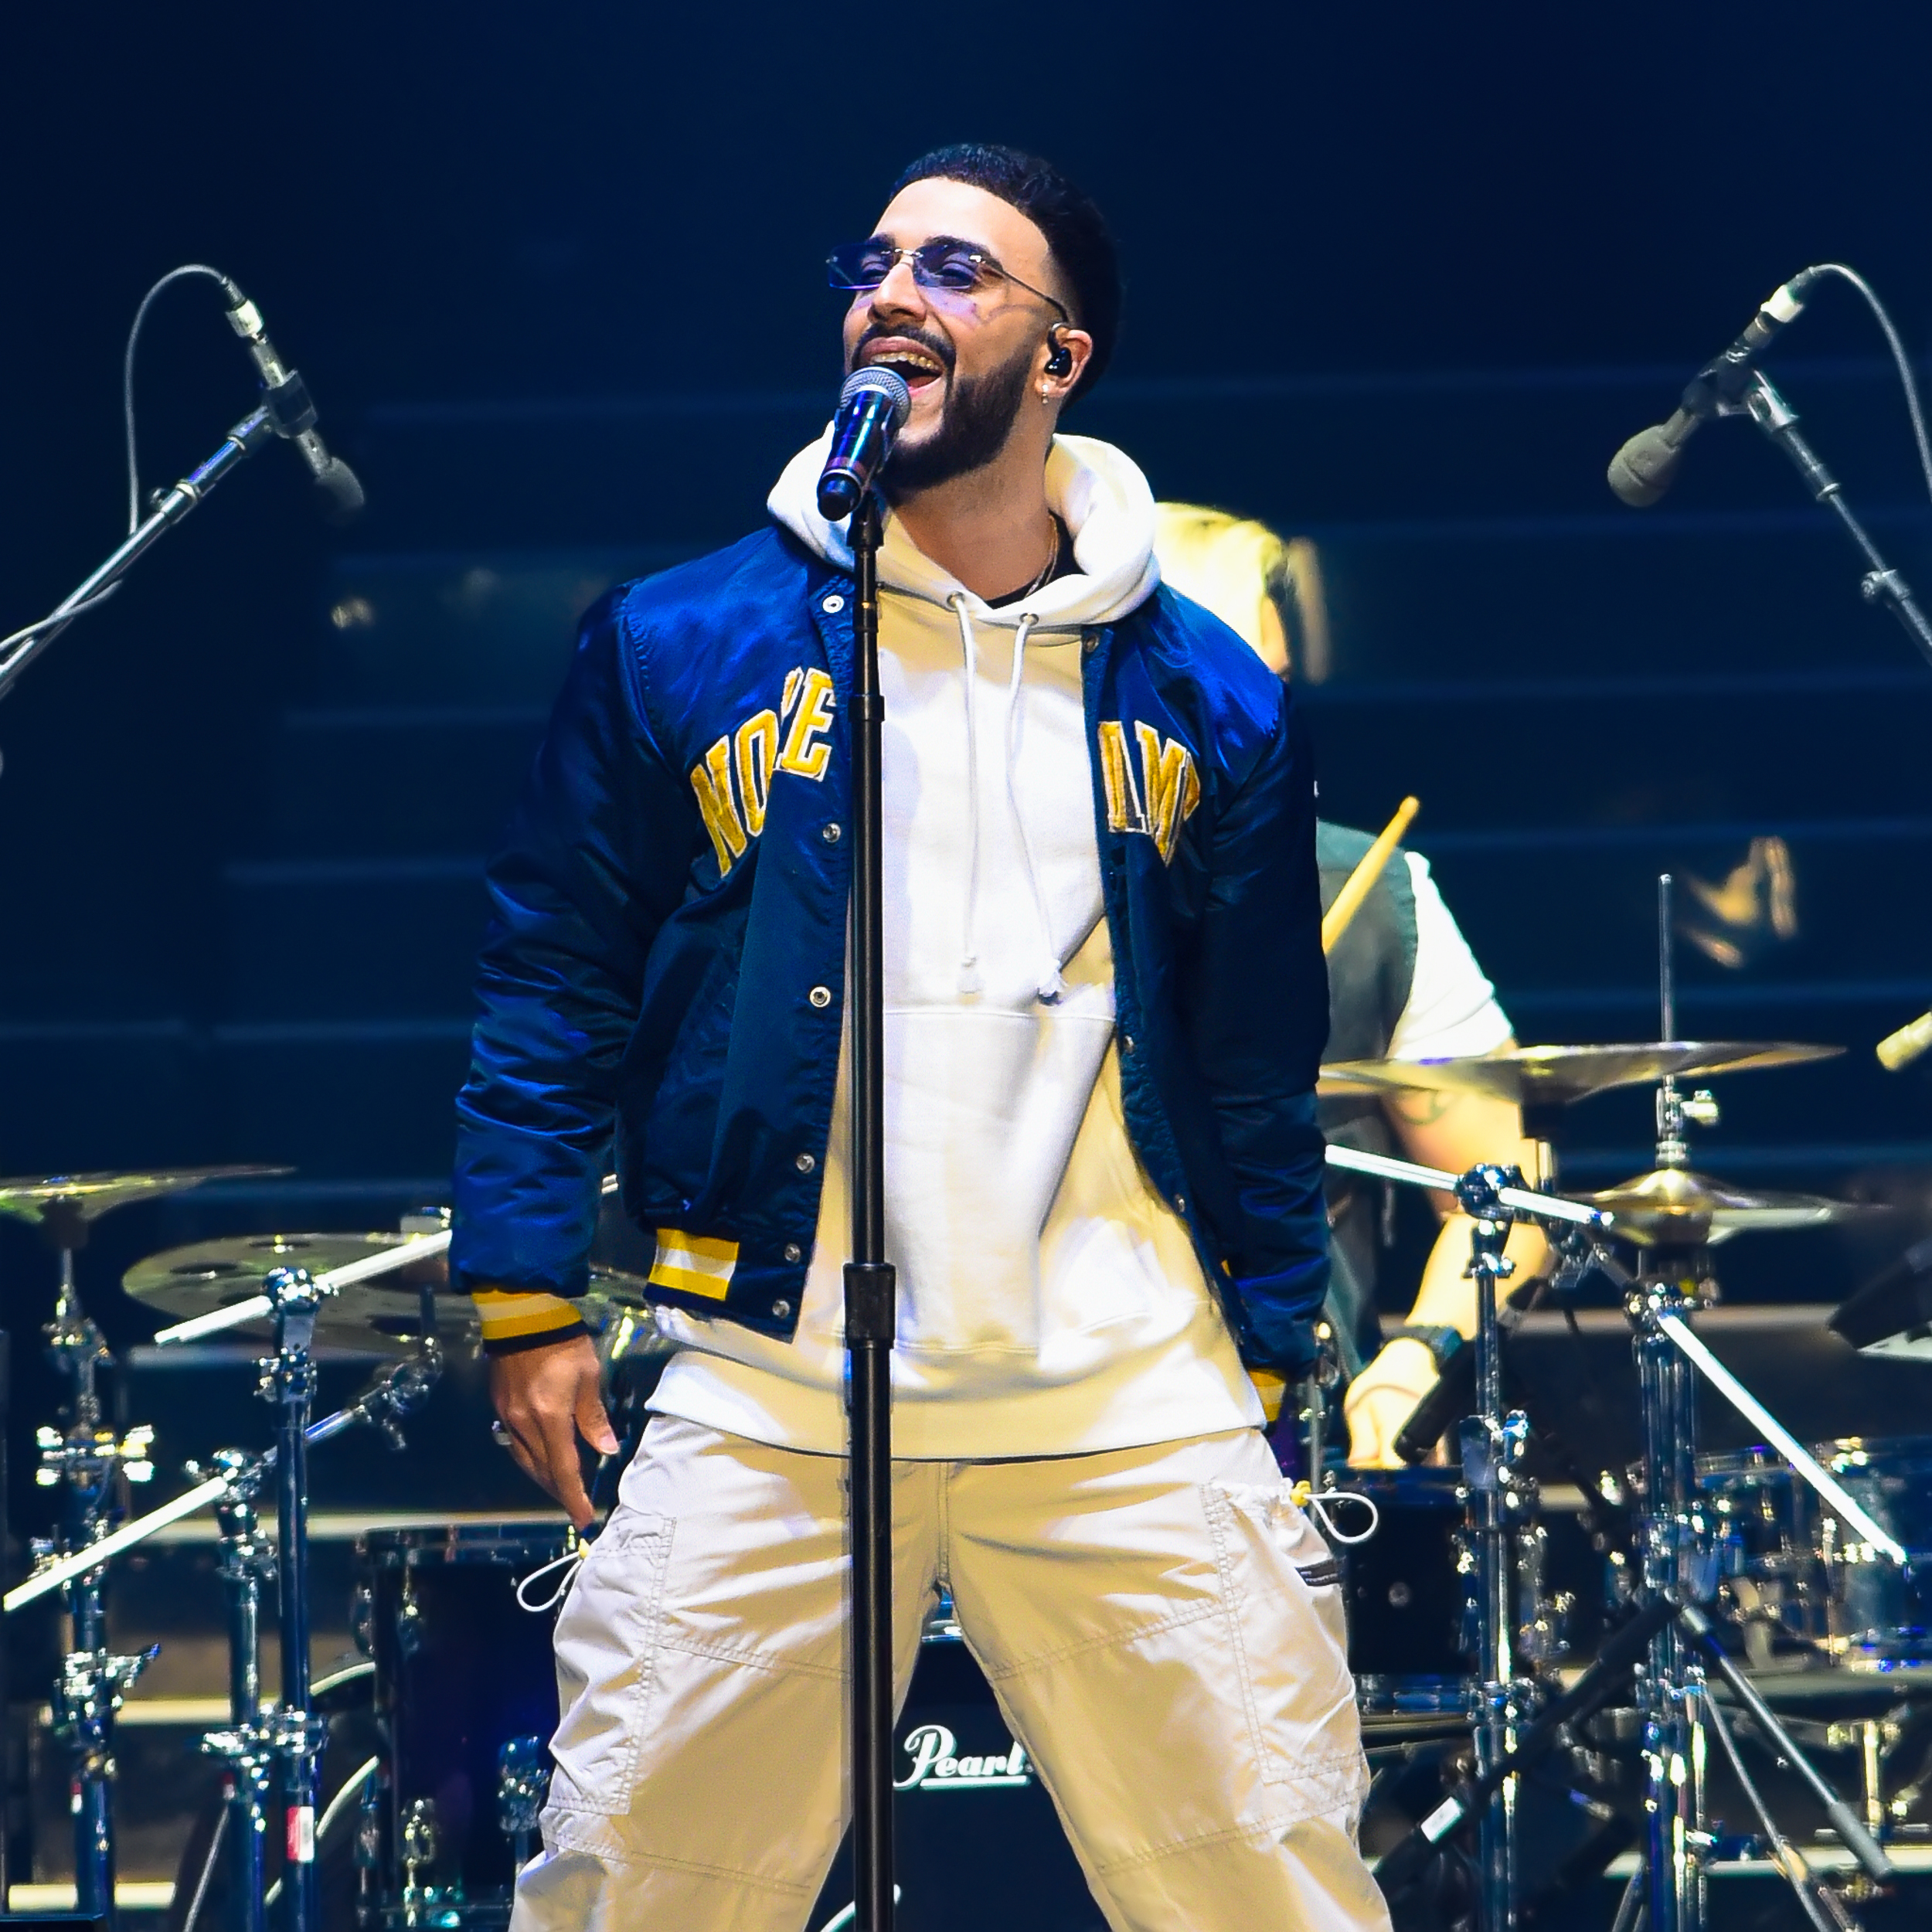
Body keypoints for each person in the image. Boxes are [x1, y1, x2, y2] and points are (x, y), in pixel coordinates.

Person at [453, 147, 1392, 1932]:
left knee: (1271, 1883)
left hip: (1127, 1388)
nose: (892, 292)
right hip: (774, 1378)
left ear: (1060, 359)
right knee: (634, 1886)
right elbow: (550, 975)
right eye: (874, 260)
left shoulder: (1215, 691)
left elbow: (1260, 1056)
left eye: (956, 269)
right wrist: (524, 1292)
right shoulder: (678, 641)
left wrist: (1273, 1347)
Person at [1153, 505, 1548, 1468]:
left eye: (1280, 692)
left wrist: (1421, 1354)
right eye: (1240, 691)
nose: (1271, 728)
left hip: (1301, 1451)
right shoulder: (985, 889)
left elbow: (1504, 1198)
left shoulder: (1372, 896)